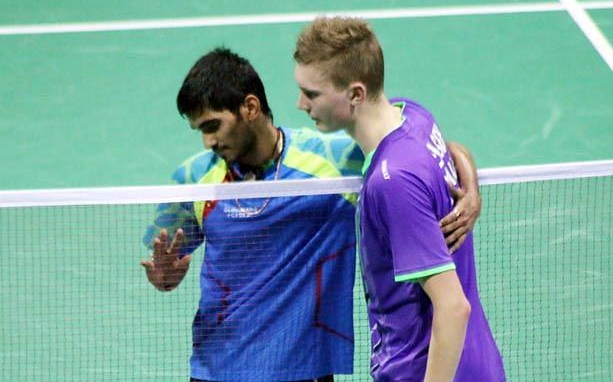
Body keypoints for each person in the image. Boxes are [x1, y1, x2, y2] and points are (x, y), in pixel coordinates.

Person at [140, 47, 481, 382]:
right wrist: (164, 277)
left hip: (304, 367)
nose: (207, 142)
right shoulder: (193, 179)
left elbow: (421, 149)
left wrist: (471, 189)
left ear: (250, 108)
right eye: (199, 130)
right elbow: (165, 270)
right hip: (218, 368)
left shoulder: (330, 160)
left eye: (213, 125)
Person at [293, 17, 506, 381]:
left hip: (427, 369)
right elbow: (453, 149)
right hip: (475, 361)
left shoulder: (392, 182)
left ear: (356, 94)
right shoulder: (412, 115)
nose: (301, 104)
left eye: (312, 94)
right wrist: (470, 182)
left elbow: (453, 307)